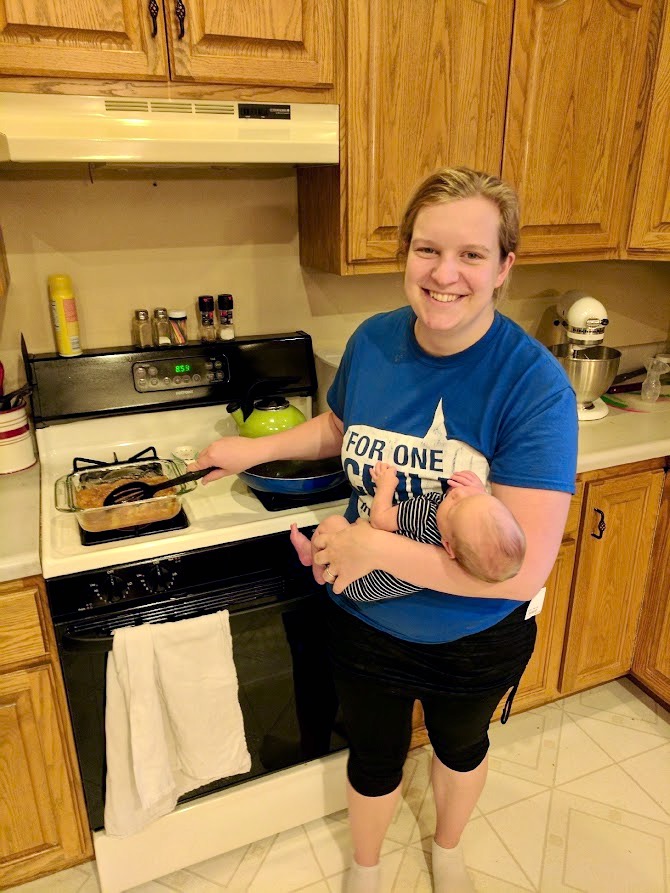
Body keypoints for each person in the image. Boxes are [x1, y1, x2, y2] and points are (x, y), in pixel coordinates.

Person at [192, 166, 578, 893]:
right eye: (427, 249)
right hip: (365, 615)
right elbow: (340, 426)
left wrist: (376, 545)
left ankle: (450, 849)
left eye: (470, 254)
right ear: (405, 253)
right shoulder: (372, 341)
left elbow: (522, 570)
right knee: (372, 752)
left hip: (475, 633)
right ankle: (365, 871)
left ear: (504, 268)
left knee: (461, 747)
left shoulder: (533, 387)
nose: (444, 273)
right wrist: (252, 449)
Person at [290, 464, 527, 601]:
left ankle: (314, 563)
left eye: (455, 504)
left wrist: (386, 485)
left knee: (333, 524)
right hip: (375, 577)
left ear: (448, 547)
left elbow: (380, 520)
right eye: (474, 497)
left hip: (358, 581)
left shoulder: (427, 511)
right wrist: (477, 493)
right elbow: (481, 522)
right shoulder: (466, 546)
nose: (457, 493)